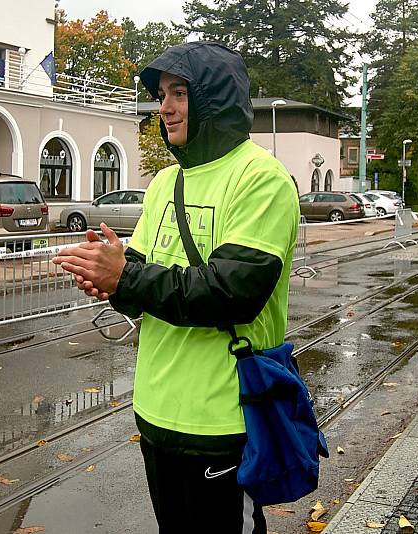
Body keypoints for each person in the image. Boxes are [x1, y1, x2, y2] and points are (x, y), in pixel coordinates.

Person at [53, 41, 299, 532]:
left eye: (179, 93)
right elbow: (142, 276)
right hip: (157, 414)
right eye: (162, 94)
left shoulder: (261, 179)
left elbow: (233, 291)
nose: (164, 108)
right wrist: (107, 279)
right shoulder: (167, 182)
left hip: (226, 420)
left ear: (215, 97)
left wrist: (126, 276)